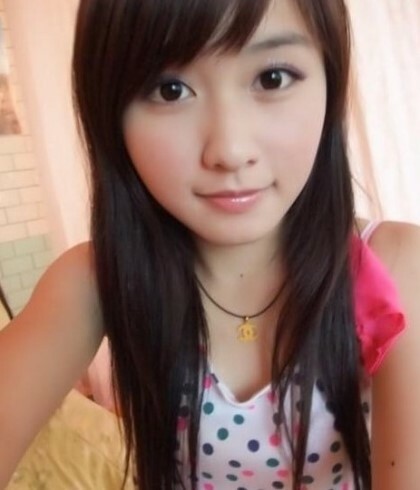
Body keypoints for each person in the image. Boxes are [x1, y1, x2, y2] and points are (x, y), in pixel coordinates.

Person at [0, 0, 419, 488]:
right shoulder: (96, 282)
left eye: (272, 79)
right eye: (170, 89)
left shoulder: (395, 267)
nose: (230, 150)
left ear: (330, 79)